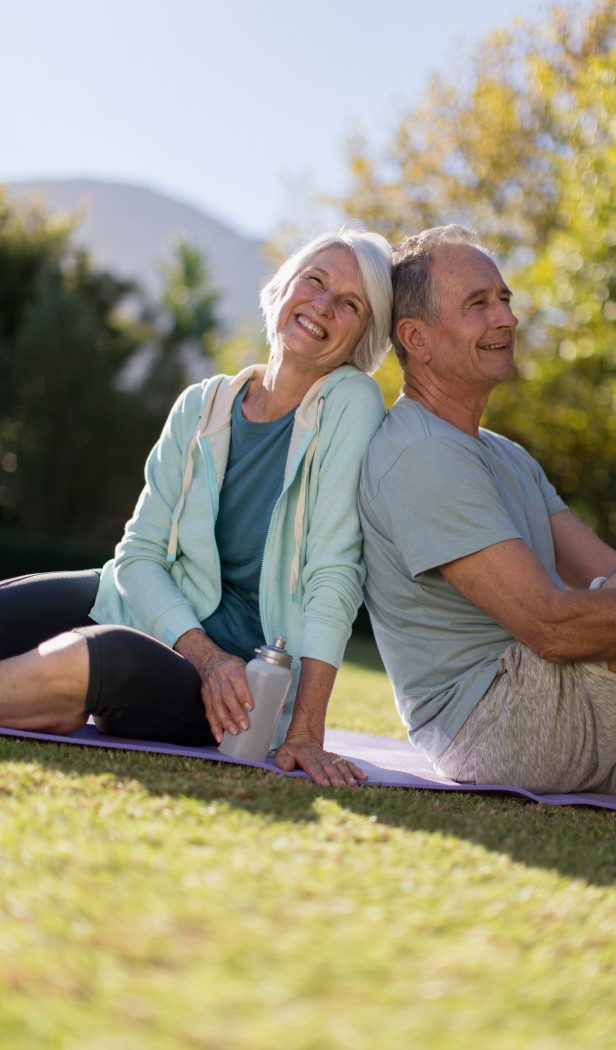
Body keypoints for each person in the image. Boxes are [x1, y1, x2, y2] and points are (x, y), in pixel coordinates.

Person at [0, 225, 393, 788]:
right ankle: (45, 697)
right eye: (314, 281)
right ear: (282, 288)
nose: (323, 306)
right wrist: (205, 654)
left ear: (363, 338)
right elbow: (137, 555)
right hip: (162, 621)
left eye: (350, 303)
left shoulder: (351, 404)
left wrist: (304, 730)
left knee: (98, 656)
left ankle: (57, 692)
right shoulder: (200, 404)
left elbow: (334, 570)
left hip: (242, 683)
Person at [359, 224, 616, 804]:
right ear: (416, 338)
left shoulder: (503, 454)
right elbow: (553, 627)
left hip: (564, 706)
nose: (507, 319)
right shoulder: (418, 455)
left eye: (504, 299)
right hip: (499, 727)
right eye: (477, 305)